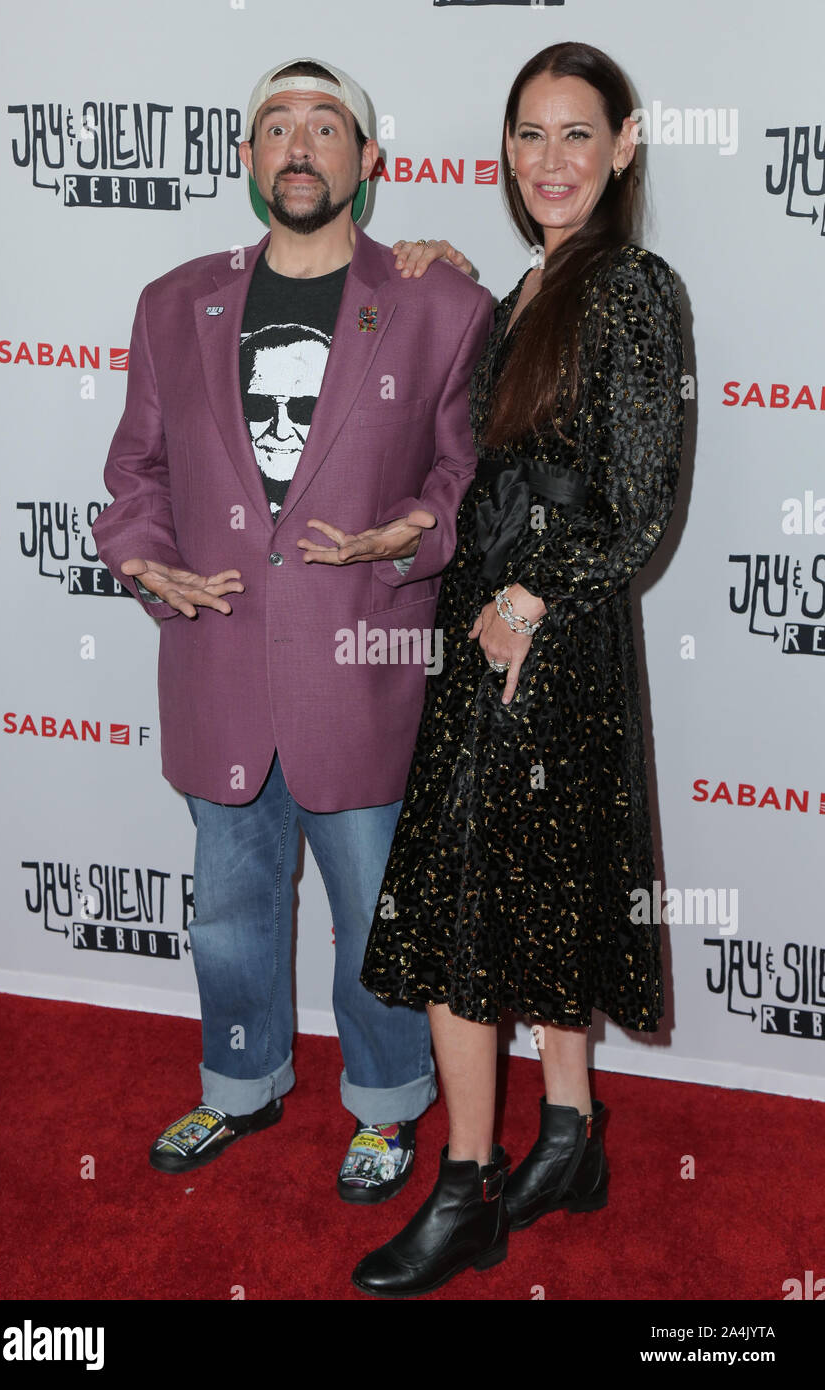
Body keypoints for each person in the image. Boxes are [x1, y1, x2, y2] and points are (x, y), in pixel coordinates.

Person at [91, 57, 493, 1203]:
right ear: (247, 159)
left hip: (361, 670)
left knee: (373, 919)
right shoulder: (174, 300)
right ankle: (242, 1083)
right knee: (227, 912)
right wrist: (142, 558)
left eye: (328, 126)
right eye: (276, 126)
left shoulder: (440, 304)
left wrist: (410, 531)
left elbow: (468, 476)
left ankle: (384, 1105)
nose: (300, 145)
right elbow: (135, 470)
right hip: (215, 662)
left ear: (370, 162)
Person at [350, 41, 686, 1296]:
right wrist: (441, 272)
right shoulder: (532, 287)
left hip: (537, 639)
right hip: (490, 625)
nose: (550, 161)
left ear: (623, 146)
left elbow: (640, 503)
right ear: (503, 150)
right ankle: (569, 1136)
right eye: (528, 136)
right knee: (532, 893)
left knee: (457, 921)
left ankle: (469, 1189)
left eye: (576, 135)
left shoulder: (632, 288)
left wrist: (530, 600)